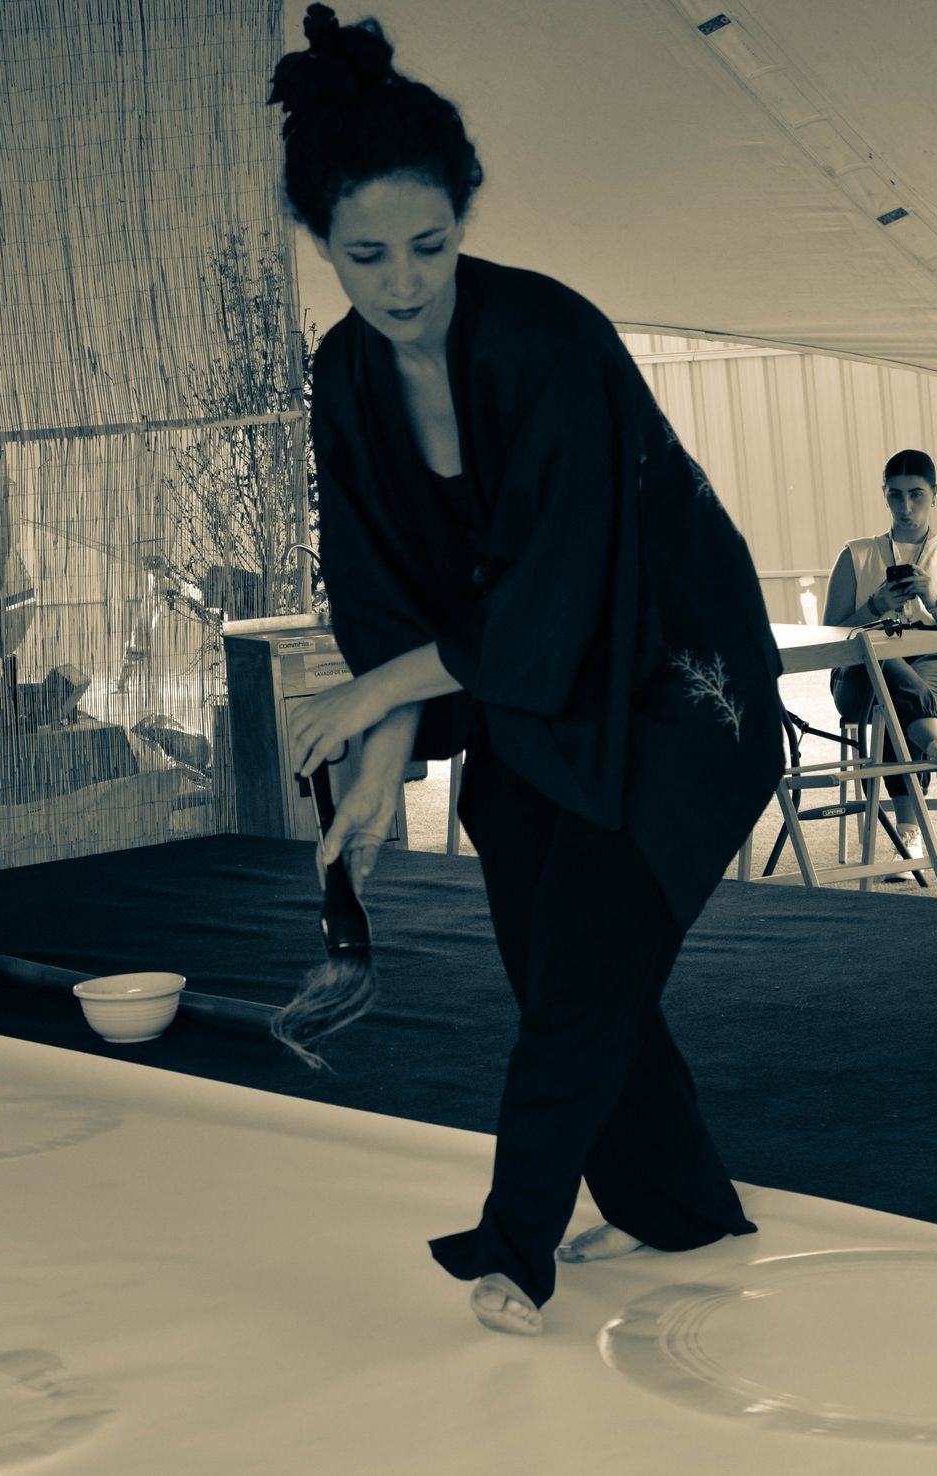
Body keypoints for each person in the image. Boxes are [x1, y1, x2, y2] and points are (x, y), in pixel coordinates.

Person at [268, 5, 785, 1336]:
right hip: (525, 698)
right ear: (320, 242)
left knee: (580, 983)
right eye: (365, 254)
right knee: (560, 963)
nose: (402, 282)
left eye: (430, 245)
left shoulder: (549, 340)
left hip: (671, 693)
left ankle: (518, 1246)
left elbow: (562, 586)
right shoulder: (344, 376)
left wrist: (372, 699)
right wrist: (377, 776)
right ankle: (676, 1206)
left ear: (465, 221)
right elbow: (381, 595)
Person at [822, 449, 937, 868]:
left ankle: (908, 833)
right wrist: (876, 605)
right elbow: (828, 640)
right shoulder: (855, 554)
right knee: (880, 663)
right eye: (895, 495)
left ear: (934, 494)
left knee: (894, 703)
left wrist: (935, 602)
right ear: (884, 494)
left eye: (916, 494)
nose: (906, 506)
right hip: (863, 667)